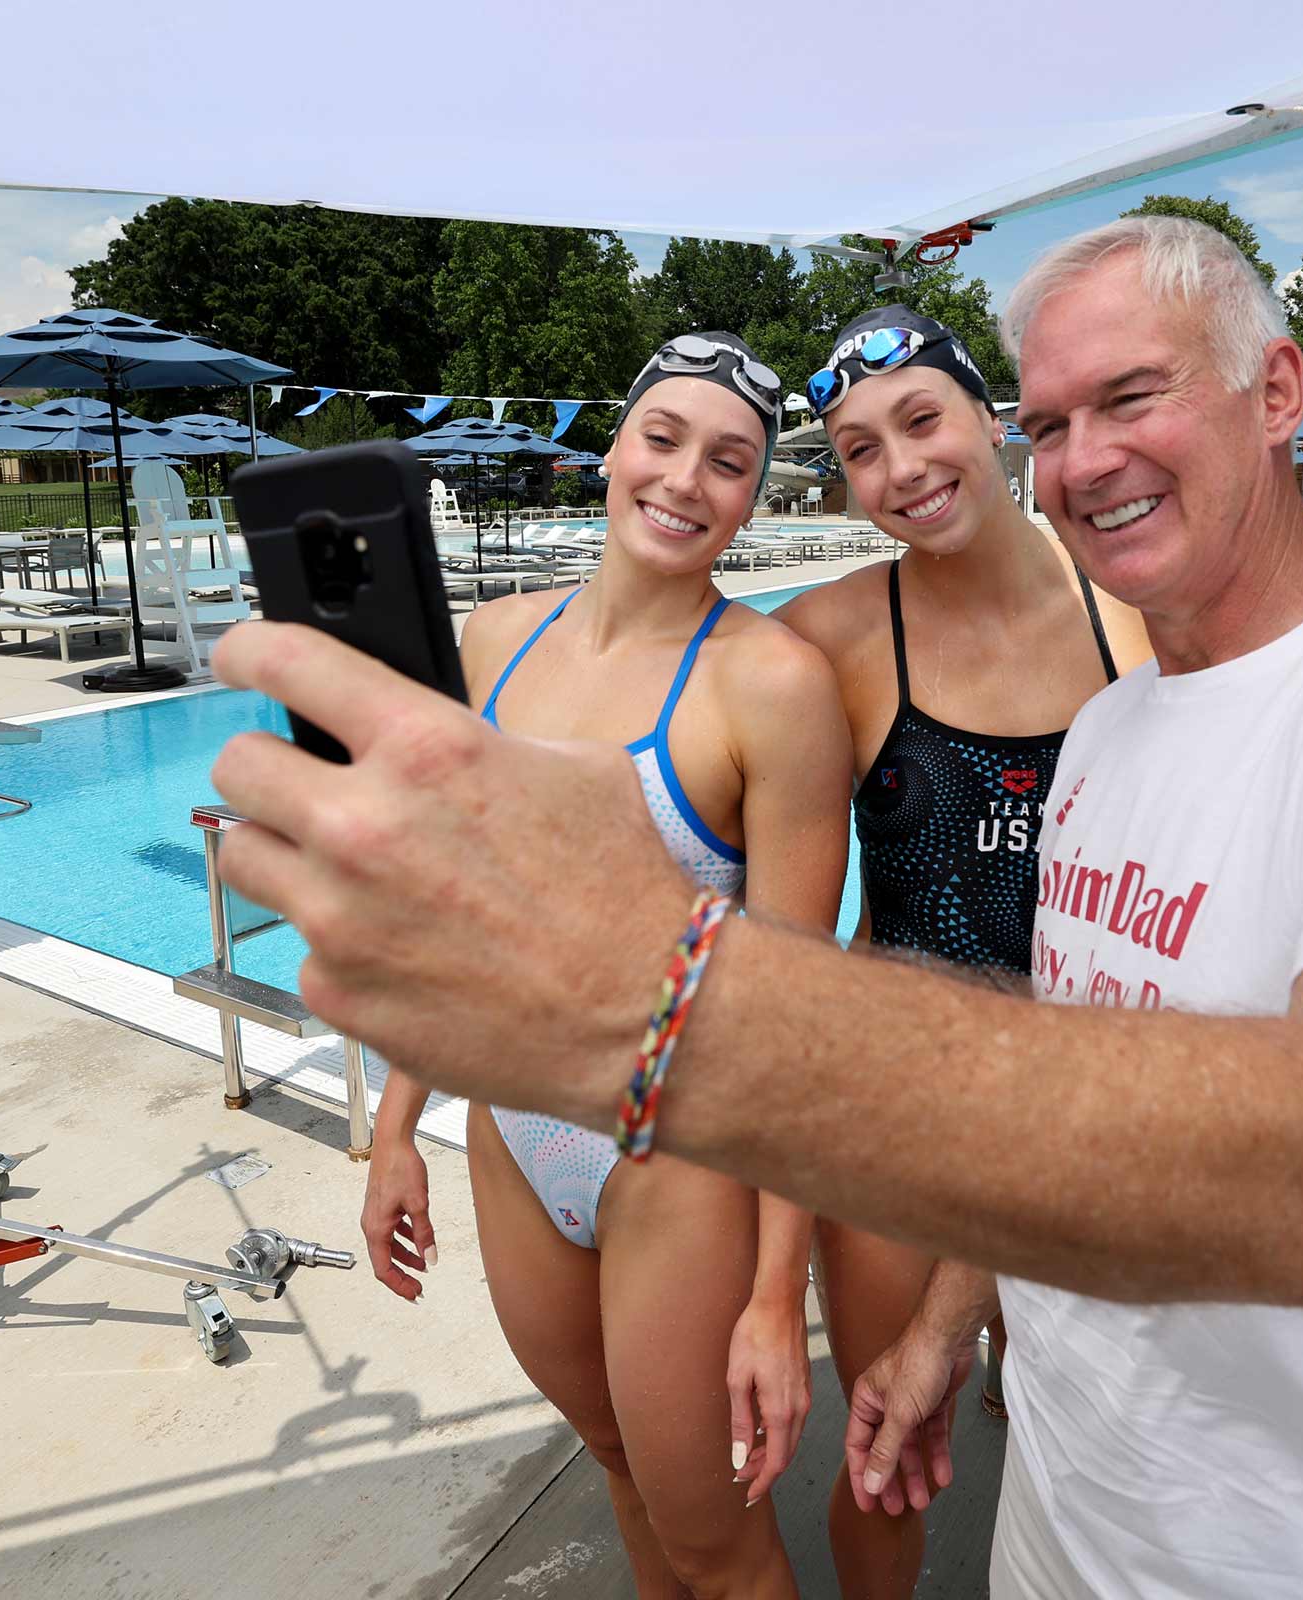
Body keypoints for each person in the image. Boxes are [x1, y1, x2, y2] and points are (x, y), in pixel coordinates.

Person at [212, 216, 1303, 1597]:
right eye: (1060, 419)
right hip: (1062, 1507)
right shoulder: (1097, 736)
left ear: (1276, 393)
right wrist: (953, 1311)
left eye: (1130, 398)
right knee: (815, 1469)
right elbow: (1069, 997)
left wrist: (660, 1002)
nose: (1083, 457)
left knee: (742, 1511)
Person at [355, 332, 852, 1599]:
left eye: (731, 463)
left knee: (719, 1540)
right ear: (616, 445)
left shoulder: (773, 684)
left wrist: (771, 1302)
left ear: (756, 494)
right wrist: (398, 1124)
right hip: (510, 1130)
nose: (688, 481)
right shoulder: (494, 641)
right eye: (665, 439)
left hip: (671, 1156)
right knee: (619, 1461)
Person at [772, 306, 1149, 1598]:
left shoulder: (1134, 617)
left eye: (922, 421)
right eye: (859, 450)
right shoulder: (829, 638)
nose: (901, 470)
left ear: (990, 417)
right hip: (901, 1109)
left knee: (1086, 1443)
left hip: (1087, 1108)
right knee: (881, 1452)